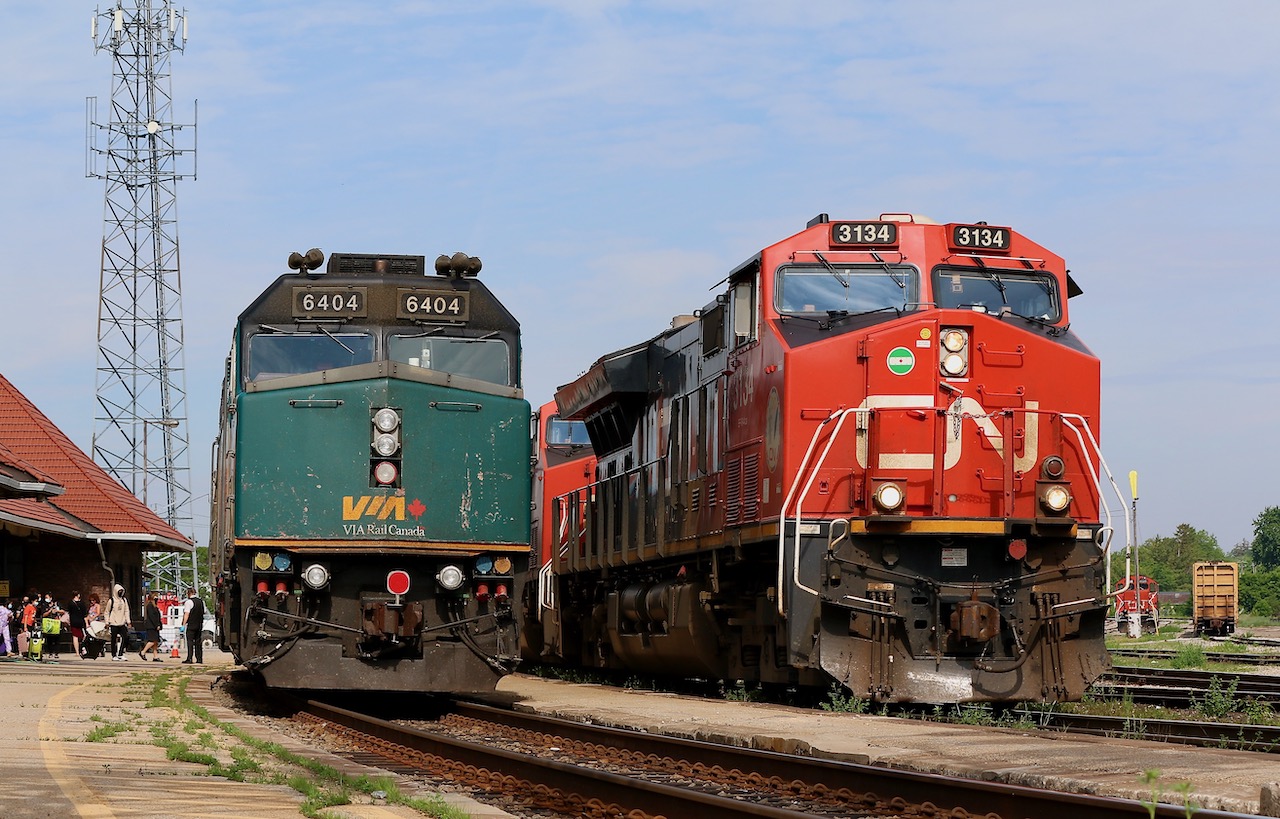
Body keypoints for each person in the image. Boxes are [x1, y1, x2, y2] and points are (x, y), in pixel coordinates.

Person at [104, 583, 132, 661]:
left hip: (122, 622)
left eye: (122, 591)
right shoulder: (111, 601)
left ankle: (121, 654)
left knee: (125, 638)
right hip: (113, 623)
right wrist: (107, 622)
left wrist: (128, 621)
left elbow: (127, 611)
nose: (121, 593)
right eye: (119, 591)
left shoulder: (124, 600)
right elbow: (106, 612)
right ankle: (114, 655)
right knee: (114, 639)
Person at [181, 587, 205, 664]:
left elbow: (186, 614)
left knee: (190, 642)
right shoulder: (201, 601)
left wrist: (183, 624)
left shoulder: (188, 602)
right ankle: (199, 658)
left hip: (191, 624)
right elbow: (203, 612)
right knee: (198, 642)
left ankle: (189, 658)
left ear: (189, 593)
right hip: (199, 624)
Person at [139, 593, 163, 662]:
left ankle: (155, 656)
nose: (156, 599)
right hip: (151, 626)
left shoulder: (155, 606)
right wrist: (156, 625)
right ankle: (143, 652)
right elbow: (152, 617)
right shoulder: (150, 606)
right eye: (155, 598)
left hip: (154, 626)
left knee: (155, 641)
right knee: (152, 640)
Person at [67, 591, 88, 658]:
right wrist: (87, 623)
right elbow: (85, 614)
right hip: (81, 621)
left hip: (73, 621)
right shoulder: (82, 603)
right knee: (83, 635)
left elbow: (69, 612)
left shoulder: (70, 603)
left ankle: (77, 652)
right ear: (78, 595)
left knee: (75, 636)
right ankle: (83, 648)